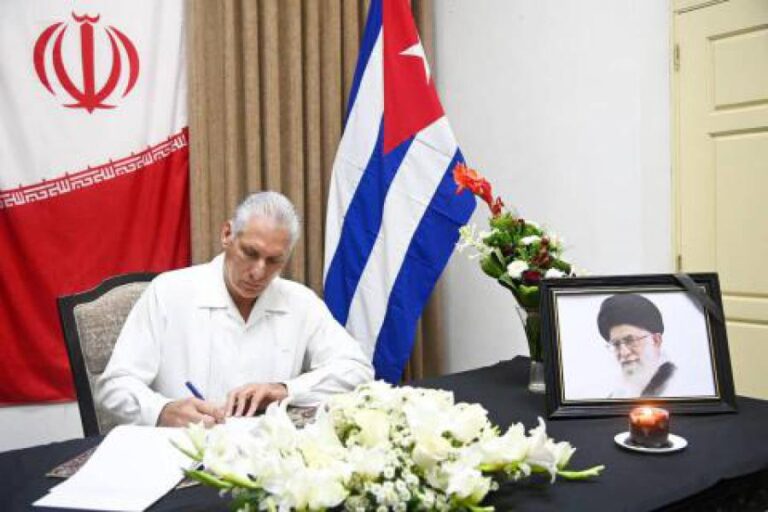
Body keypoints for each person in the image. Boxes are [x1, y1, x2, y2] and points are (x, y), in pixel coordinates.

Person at [97, 191, 374, 428]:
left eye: (274, 261)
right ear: (227, 234)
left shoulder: (300, 302)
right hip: (183, 455)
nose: (258, 272)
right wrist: (162, 411)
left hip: (267, 458)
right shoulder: (169, 292)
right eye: (250, 253)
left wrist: (285, 390)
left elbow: (357, 369)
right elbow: (115, 386)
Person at [597, 293, 677, 398]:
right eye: (616, 344)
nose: (623, 352)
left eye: (630, 341)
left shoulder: (677, 386)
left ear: (656, 341)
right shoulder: (616, 396)